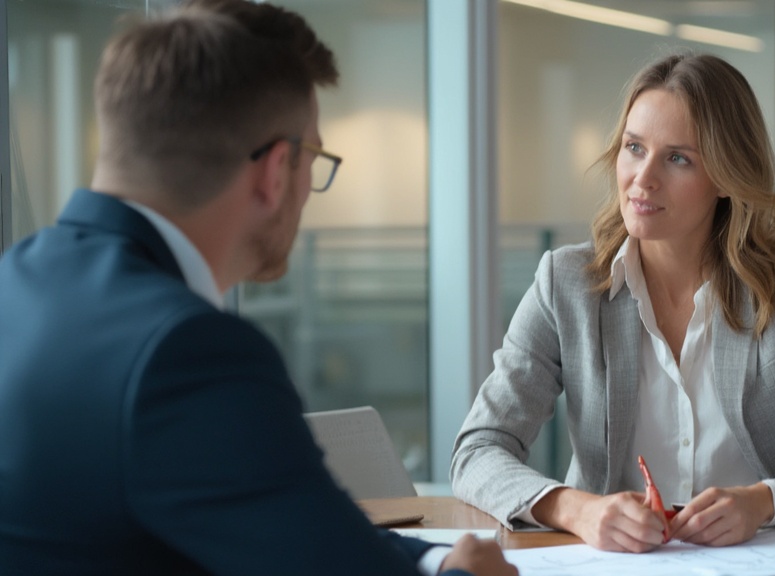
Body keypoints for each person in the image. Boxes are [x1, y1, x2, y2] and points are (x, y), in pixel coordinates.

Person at [0, 2, 516, 575]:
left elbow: (304, 535)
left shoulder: (16, 283)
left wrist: (435, 560)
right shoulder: (187, 350)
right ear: (276, 172)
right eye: (314, 158)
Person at [450, 52, 775, 553]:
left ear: (725, 176)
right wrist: (578, 509)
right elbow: (478, 450)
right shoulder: (565, 283)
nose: (643, 178)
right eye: (634, 148)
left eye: (678, 158)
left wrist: (767, 500)